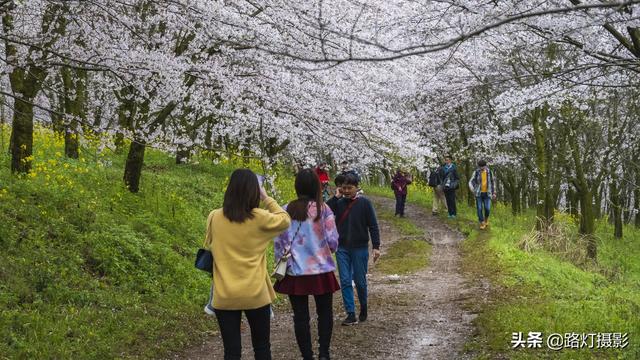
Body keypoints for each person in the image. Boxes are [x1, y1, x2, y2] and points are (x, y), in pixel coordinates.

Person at [204, 168, 291, 360]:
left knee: (231, 351)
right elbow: (285, 220)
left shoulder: (214, 217)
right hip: (256, 293)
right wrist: (266, 197)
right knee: (261, 348)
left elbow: (209, 246)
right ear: (254, 192)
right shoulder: (260, 218)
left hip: (224, 294)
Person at [273, 169, 340, 360]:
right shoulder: (323, 209)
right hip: (321, 269)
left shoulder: (286, 209)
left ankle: (307, 355)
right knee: (324, 313)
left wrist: (283, 261)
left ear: (297, 186)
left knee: (300, 316)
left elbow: (279, 243)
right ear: (316, 187)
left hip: (295, 270)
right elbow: (333, 241)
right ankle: (324, 353)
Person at [327, 172, 380, 326]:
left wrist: (376, 247)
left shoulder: (365, 203)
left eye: (350, 187)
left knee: (360, 281)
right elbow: (325, 210)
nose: (347, 190)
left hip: (360, 247)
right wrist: (336, 197)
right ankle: (350, 313)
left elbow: (373, 225)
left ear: (357, 188)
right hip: (342, 247)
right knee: (344, 280)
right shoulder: (338, 203)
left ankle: (363, 306)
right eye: (344, 188)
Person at [469, 159, 497, 229]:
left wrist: (494, 192)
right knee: (479, 208)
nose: (481, 168)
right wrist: (473, 190)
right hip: (478, 193)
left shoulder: (490, 172)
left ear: (485, 166)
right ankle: (482, 222)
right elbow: (470, 182)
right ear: (478, 166)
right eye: (480, 167)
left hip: (487, 193)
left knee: (487, 208)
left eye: (483, 166)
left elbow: (493, 182)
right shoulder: (476, 172)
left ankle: (486, 219)